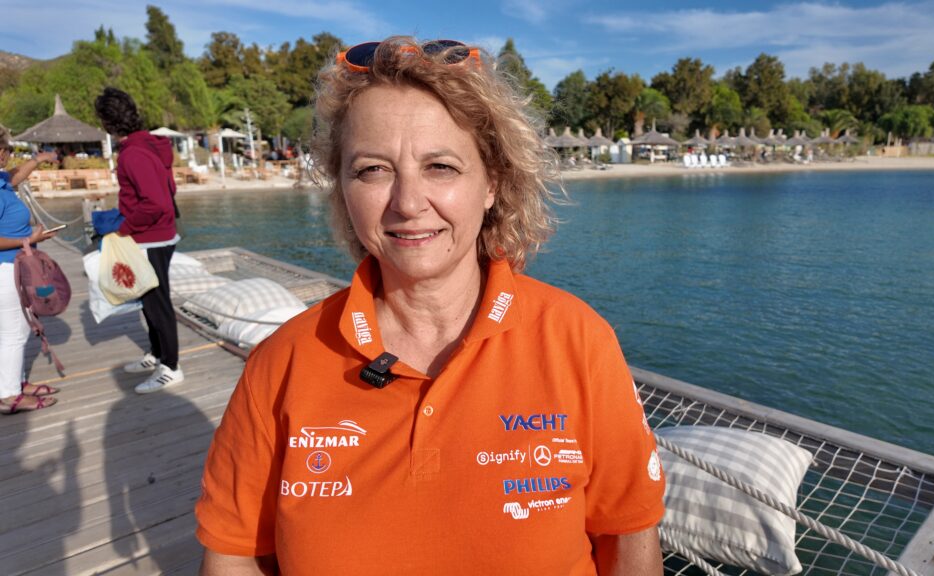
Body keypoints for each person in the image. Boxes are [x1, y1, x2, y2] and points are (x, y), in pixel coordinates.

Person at [195, 37, 665, 575]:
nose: (408, 203)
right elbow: (233, 554)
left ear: (492, 183)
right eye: (373, 170)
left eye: (440, 166)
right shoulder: (282, 363)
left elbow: (629, 533)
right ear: (343, 190)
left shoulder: (578, 342)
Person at [93, 87, 183, 394]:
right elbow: (166, 191)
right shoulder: (147, 146)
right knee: (147, 299)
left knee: (158, 303)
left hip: (150, 239)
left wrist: (125, 228)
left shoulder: (133, 154)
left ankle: (171, 367)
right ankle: (157, 354)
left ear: (107, 122)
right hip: (156, 235)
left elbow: (156, 202)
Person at [0, 130, 61, 413]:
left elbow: (15, 176)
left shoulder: (2, 181)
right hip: (5, 269)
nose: (10, 155)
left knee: (16, 328)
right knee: (14, 332)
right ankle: (8, 395)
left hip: (14, 266)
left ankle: (15, 383)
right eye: (7, 150)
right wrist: (29, 240)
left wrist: (38, 159)